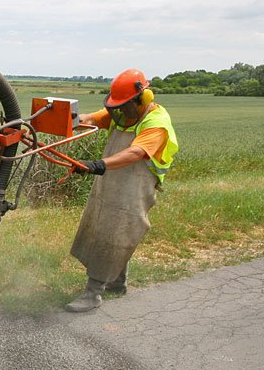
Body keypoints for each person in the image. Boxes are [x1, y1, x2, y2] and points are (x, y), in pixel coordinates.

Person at [64, 68, 179, 313]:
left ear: (143, 99)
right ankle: (118, 282)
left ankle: (93, 294)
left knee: (117, 230)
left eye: (125, 106)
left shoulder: (155, 123)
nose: (120, 112)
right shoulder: (122, 113)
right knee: (107, 226)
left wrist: (97, 165)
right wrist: (68, 120)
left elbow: (136, 153)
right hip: (112, 180)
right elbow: (93, 119)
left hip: (136, 185)